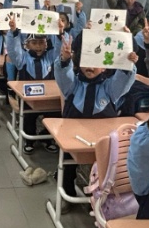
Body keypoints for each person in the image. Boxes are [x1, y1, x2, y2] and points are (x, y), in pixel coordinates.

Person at [55, 34, 138, 210]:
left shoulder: (109, 88)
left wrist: (127, 63)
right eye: (86, 60)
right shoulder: (73, 85)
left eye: (96, 61)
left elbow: (123, 80)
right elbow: (63, 75)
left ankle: (102, 198)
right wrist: (65, 60)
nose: (90, 66)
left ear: (105, 66)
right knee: (68, 166)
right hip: (73, 139)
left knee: (105, 167)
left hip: (102, 141)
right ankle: (67, 193)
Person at [6, 15, 62, 154]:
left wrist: (60, 33)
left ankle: (47, 138)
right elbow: (13, 50)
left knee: (55, 115)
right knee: (29, 118)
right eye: (34, 43)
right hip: (28, 99)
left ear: (46, 44)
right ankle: (29, 140)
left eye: (41, 43)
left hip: (48, 97)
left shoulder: (50, 57)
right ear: (27, 44)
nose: (38, 46)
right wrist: (13, 32)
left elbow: (59, 50)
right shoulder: (23, 58)